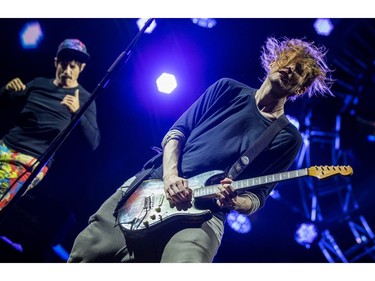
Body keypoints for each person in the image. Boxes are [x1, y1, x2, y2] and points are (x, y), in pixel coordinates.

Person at [68, 36, 333, 263]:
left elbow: (257, 199)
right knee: (86, 255)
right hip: (153, 187)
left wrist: (234, 201)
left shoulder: (288, 137)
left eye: (298, 71)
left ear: (301, 88)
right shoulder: (227, 89)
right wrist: (171, 178)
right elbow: (176, 134)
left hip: (202, 218)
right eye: (287, 61)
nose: (289, 69)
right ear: (273, 61)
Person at [0, 38, 100, 212]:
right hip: (5, 146)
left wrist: (77, 112)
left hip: (29, 161)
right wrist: (6, 90)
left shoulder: (84, 98)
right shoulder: (39, 83)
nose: (67, 71)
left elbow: (94, 141)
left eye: (73, 67)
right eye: (64, 64)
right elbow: (7, 101)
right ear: (56, 63)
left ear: (81, 68)